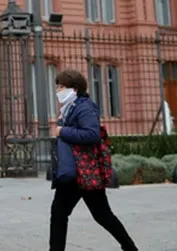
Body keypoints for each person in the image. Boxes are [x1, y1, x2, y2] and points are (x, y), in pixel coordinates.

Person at [50, 69, 138, 251]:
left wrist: (62, 131)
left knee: (89, 214)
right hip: (77, 170)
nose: (57, 90)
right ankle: (130, 248)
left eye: (61, 86)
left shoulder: (84, 107)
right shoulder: (71, 107)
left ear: (74, 89)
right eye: (57, 86)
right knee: (93, 214)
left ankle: (130, 247)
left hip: (83, 170)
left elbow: (92, 134)